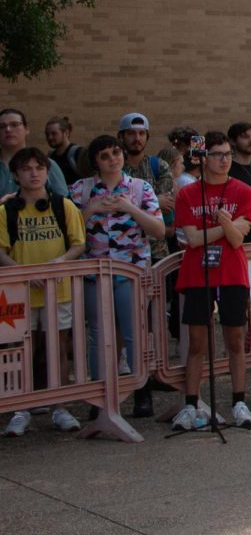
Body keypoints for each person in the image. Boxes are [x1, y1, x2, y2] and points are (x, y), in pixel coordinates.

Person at [71, 134, 165, 417]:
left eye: (116, 153)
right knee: (97, 334)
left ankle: (141, 392)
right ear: (95, 162)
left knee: (134, 331)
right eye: (105, 155)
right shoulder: (80, 190)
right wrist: (91, 211)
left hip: (131, 271)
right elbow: (69, 232)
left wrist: (130, 208)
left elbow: (158, 230)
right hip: (94, 273)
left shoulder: (140, 187)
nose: (113, 159)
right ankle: (99, 398)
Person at [170, 132, 251, 430]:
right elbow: (191, 239)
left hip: (232, 273)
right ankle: (191, 403)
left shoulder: (244, 191)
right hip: (198, 274)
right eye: (218, 154)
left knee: (234, 339)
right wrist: (225, 226)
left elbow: (237, 238)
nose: (224, 160)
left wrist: (225, 227)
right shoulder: (187, 194)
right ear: (204, 158)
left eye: (228, 154)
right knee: (196, 342)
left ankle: (238, 401)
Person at [0, 148, 86, 436]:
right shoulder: (5, 211)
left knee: (57, 346)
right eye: (26, 169)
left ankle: (59, 406)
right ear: (16, 175)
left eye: (39, 168)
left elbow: (78, 244)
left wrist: (59, 263)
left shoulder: (64, 206)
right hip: (17, 292)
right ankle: (20, 408)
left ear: (48, 172)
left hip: (56, 290)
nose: (33, 173)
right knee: (19, 350)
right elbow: (1, 251)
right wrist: (24, 273)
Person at [118, 113, 175, 262]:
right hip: (122, 251)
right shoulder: (115, 168)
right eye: (131, 133)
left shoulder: (159, 166)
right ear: (121, 137)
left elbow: (166, 206)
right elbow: (116, 206)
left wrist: (130, 205)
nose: (137, 138)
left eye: (141, 133)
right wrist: (155, 200)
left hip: (156, 251)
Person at [0, 108, 69, 199]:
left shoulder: (46, 164)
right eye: (2, 126)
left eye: (14, 124)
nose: (8, 129)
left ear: (27, 129)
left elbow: (63, 204)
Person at [45, 116, 84, 186]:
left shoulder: (79, 153)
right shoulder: (50, 158)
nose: (50, 137)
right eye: (47, 134)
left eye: (54, 134)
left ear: (66, 133)